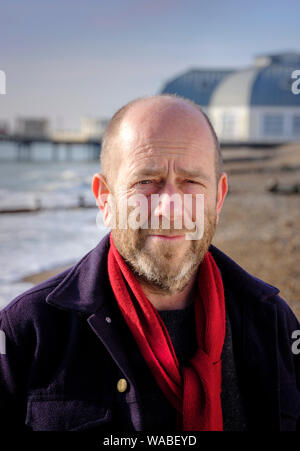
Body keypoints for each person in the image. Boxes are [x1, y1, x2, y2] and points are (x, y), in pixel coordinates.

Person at [0, 95, 299, 431]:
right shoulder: (26, 333)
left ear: (219, 197)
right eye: (146, 181)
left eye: (191, 182)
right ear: (104, 198)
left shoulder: (273, 323)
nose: (169, 207)